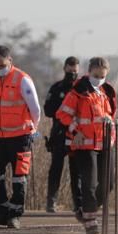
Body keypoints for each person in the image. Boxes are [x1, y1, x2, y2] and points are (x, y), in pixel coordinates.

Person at [55, 56, 118, 234]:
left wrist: (110, 128)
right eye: (96, 75)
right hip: (84, 145)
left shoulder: (108, 92)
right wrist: (77, 132)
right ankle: (90, 222)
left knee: (108, 183)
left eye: (102, 75)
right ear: (89, 72)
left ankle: (86, 210)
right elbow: (63, 114)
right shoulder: (78, 92)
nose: (99, 78)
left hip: (106, 142)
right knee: (89, 184)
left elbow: (110, 116)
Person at [0, 45, 42, 229]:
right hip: (1, 135)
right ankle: (1, 211)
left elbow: (36, 109)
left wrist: (33, 130)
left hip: (20, 136)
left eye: (2, 65)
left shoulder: (22, 79)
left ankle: (14, 215)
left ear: (10, 61)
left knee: (19, 177)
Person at [42, 56, 80, 213]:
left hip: (76, 134)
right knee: (56, 168)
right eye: (70, 70)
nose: (72, 73)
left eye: (75, 71)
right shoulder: (57, 88)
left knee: (76, 170)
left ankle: (78, 203)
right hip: (59, 133)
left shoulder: (80, 89)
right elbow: (48, 111)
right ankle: (51, 201)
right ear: (64, 68)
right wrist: (62, 109)